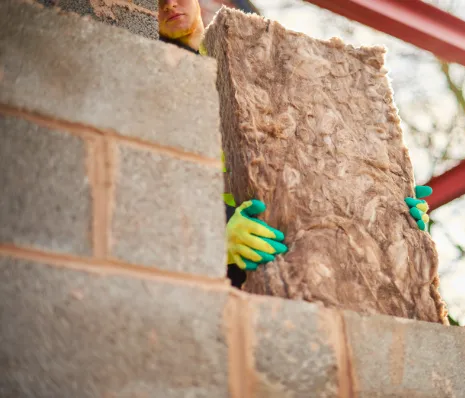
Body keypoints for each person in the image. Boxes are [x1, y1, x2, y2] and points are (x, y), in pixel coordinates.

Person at [157, 0, 433, 288]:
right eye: (157, 0)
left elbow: (317, 154)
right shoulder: (156, 77)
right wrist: (212, 230)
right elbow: (154, 174)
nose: (169, 4)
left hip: (307, 257)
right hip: (231, 266)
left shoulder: (261, 64)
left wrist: (390, 214)